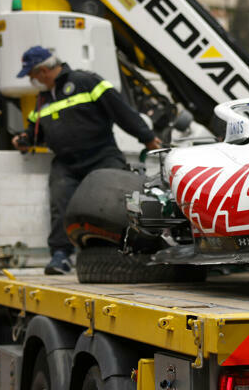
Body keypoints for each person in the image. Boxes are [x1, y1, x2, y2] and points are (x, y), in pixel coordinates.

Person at [11, 46, 162, 275]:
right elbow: (35, 131)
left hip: (101, 155)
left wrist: (147, 137)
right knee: (60, 204)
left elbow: (121, 111)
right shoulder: (42, 99)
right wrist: (24, 139)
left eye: (32, 76)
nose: (33, 81)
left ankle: (130, 250)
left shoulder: (85, 81)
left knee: (118, 201)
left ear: (42, 70)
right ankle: (60, 256)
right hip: (66, 163)